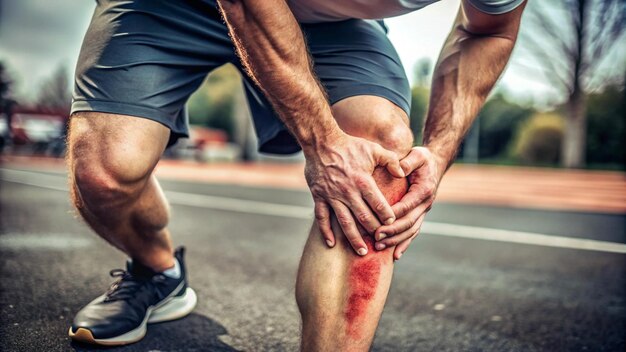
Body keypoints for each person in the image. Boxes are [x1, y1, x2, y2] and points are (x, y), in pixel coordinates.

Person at [66, 0, 526, 349]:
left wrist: (440, 153)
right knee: (104, 172)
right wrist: (323, 142)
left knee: (380, 157)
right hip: (165, 6)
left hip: (329, 19)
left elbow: (489, 31)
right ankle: (156, 272)